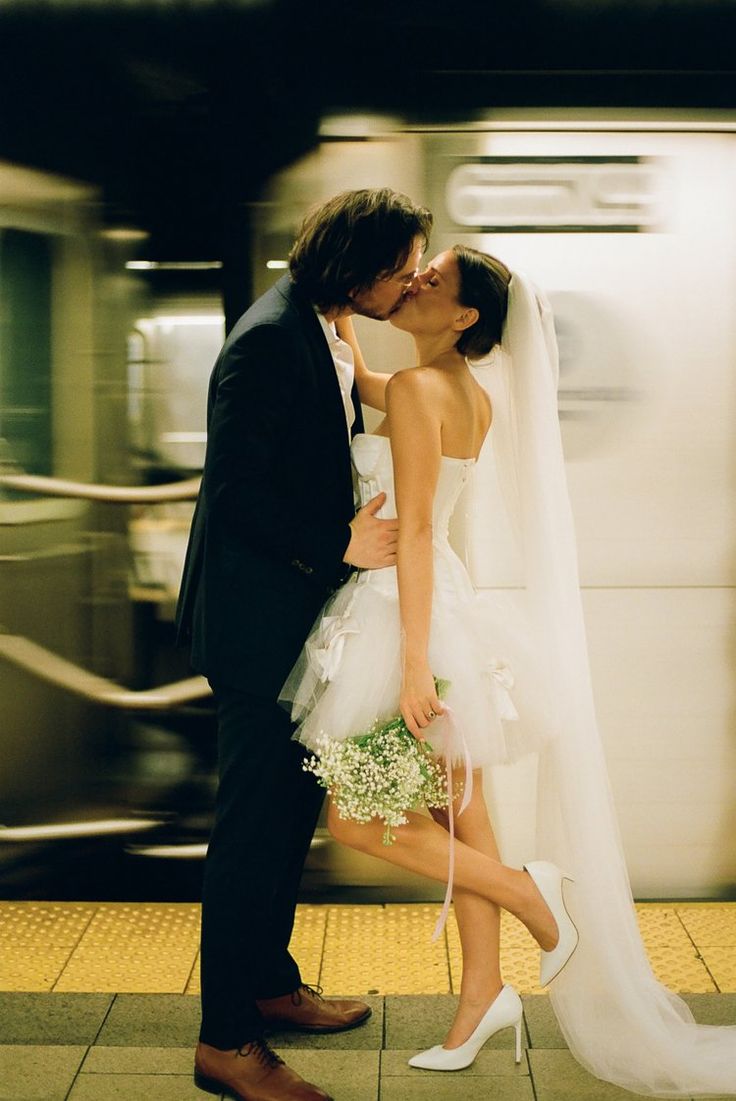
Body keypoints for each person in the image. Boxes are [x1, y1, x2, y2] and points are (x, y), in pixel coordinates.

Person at [280, 244, 736, 1096]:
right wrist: (343, 321)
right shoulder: (463, 394)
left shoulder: (421, 391)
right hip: (449, 612)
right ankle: (483, 995)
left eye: (435, 279)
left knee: (352, 820)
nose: (416, 280)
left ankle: (532, 892)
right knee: (463, 814)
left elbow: (414, 530)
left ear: (463, 318)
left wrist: (413, 665)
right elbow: (372, 394)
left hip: (403, 616)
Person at [175, 188, 433, 1101]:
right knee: (251, 832)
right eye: (398, 268)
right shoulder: (267, 341)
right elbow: (233, 490)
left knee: (286, 822)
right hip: (255, 628)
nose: (407, 283)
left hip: (292, 619)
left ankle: (270, 985)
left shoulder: (324, 324)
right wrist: (340, 543)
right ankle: (225, 1041)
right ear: (352, 266)